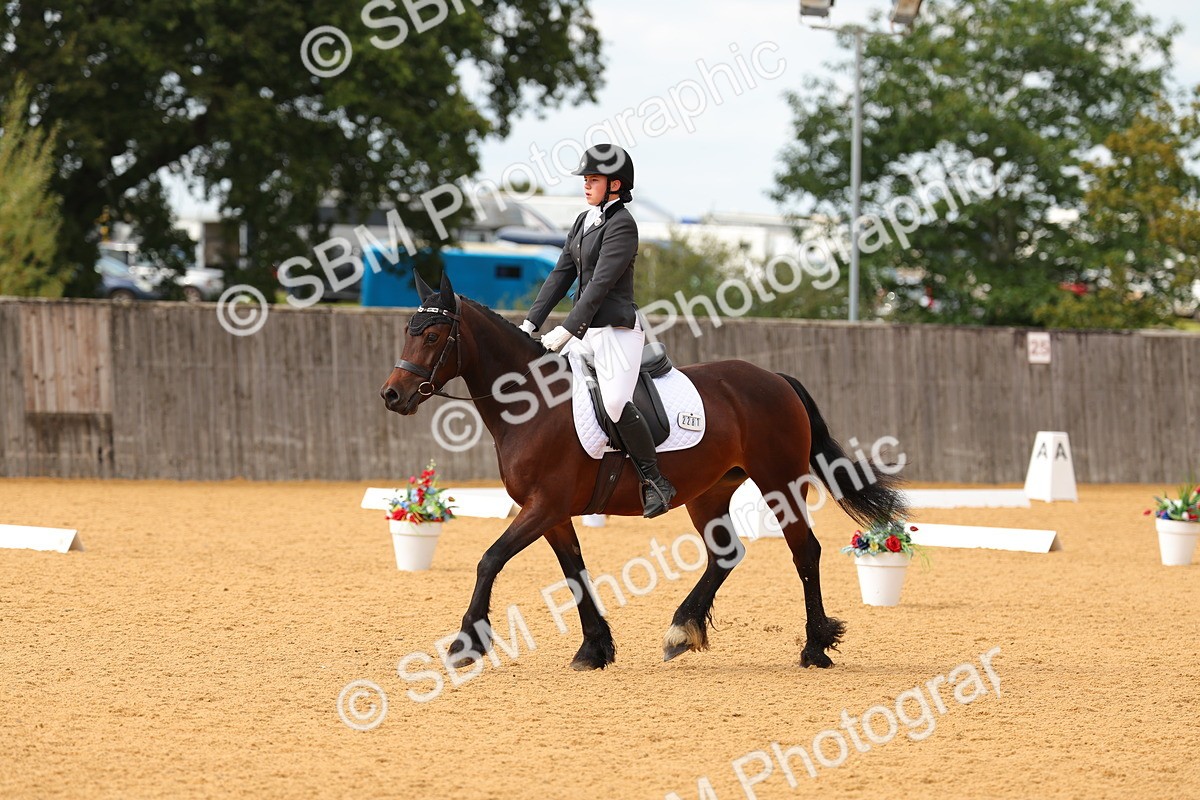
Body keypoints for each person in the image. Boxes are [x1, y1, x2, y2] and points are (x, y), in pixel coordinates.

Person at [519, 144, 676, 518]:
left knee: (615, 403)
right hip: (585, 332)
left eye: (593, 179)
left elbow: (600, 284)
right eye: (586, 179)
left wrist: (568, 329)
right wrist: (530, 323)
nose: (586, 185)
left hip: (617, 333)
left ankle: (655, 481)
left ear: (616, 185)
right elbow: (561, 274)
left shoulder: (623, 225)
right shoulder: (583, 221)